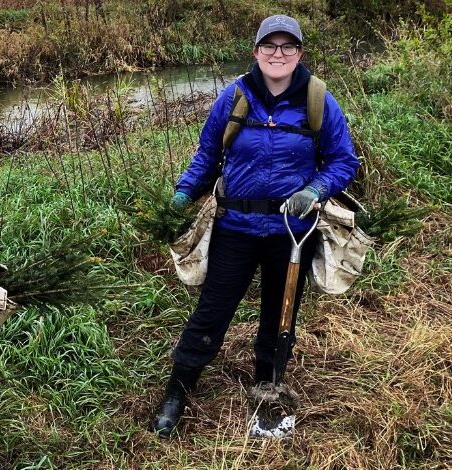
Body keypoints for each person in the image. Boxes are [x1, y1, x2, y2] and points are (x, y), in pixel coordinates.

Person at [149, 14, 359, 438]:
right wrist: (182, 195)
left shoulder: (318, 99)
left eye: (287, 47)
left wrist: (315, 190)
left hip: (291, 232)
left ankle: (268, 387)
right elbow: (208, 156)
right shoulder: (234, 97)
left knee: (280, 317)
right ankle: (178, 390)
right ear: (256, 51)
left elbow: (343, 161)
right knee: (212, 311)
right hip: (236, 228)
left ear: (299, 53)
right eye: (269, 46)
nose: (277, 54)